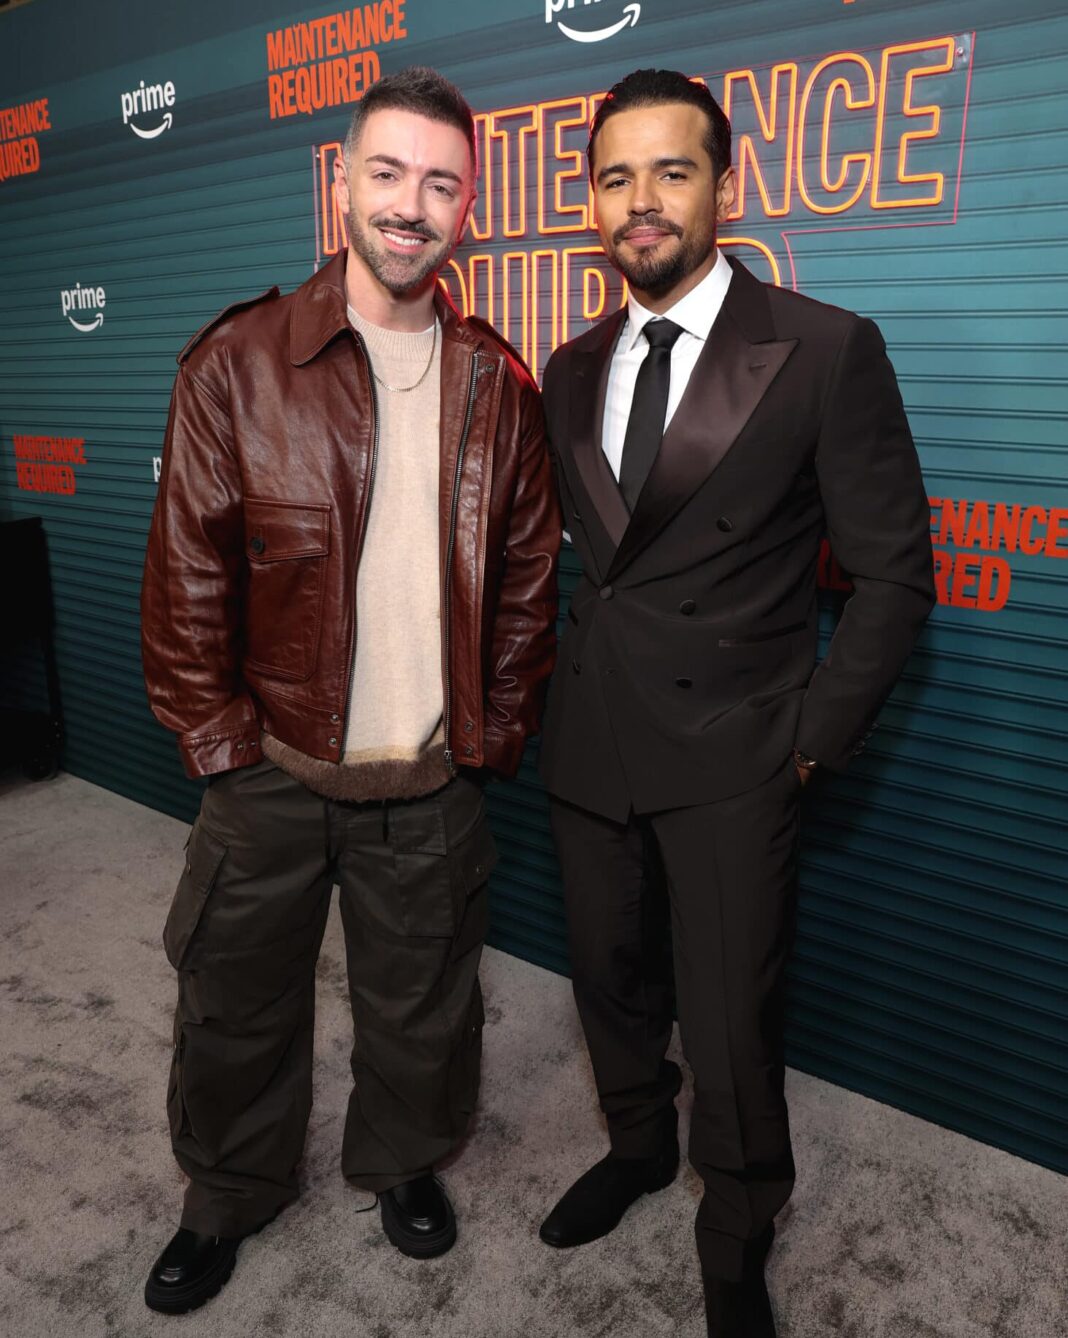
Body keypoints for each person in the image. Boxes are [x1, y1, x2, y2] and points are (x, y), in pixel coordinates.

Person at [140, 65, 560, 1315]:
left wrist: (493, 734)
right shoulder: (239, 361)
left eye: (440, 183)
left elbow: (532, 580)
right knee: (232, 1010)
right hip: (269, 772)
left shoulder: (499, 382)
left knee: (422, 1012)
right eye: (388, 173)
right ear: (343, 183)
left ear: (469, 207)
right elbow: (185, 577)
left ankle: (400, 1166)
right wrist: (219, 746)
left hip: (428, 777)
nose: (410, 205)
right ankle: (226, 1196)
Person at [536, 69, 934, 1337]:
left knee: (729, 1012)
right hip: (592, 733)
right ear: (590, 198)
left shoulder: (823, 348)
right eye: (614, 177)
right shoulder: (570, 362)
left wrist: (807, 745)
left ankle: (738, 1221)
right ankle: (640, 1147)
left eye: (671, 171)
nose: (640, 203)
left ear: (723, 184)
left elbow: (893, 576)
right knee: (605, 977)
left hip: (736, 748)